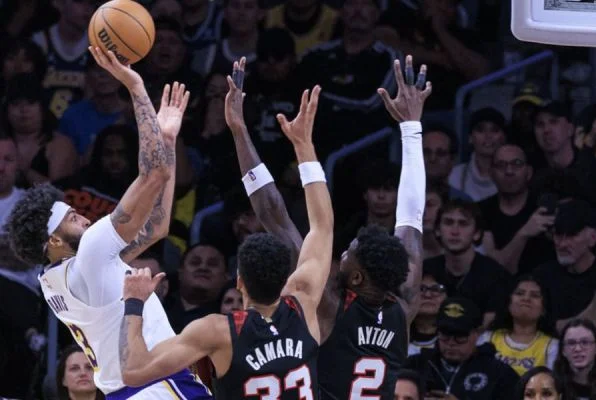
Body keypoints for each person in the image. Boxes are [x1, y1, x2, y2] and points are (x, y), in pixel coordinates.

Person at [118, 62, 334, 400]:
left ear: (238, 281)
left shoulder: (217, 331)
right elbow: (322, 226)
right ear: (285, 279)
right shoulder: (303, 302)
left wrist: (133, 303)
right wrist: (304, 146)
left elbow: (133, 372)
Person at [227, 54, 430, 398]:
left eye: (349, 253)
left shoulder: (330, 305)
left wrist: (238, 130)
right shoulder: (404, 306)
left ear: (357, 278)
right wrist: (411, 126)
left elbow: (273, 214)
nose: (342, 254)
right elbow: (412, 217)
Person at [4, 47, 203, 398]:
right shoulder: (92, 253)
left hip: (126, 390)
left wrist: (167, 142)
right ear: (53, 241)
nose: (82, 216)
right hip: (155, 387)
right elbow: (153, 173)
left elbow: (157, 228)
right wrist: (136, 87)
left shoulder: (55, 279)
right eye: (71, 217)